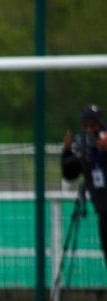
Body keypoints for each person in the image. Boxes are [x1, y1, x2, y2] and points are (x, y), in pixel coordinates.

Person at [61, 104, 107, 266]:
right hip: (103, 215)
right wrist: (67, 151)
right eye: (86, 126)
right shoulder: (87, 149)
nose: (89, 130)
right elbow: (70, 174)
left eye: (93, 125)